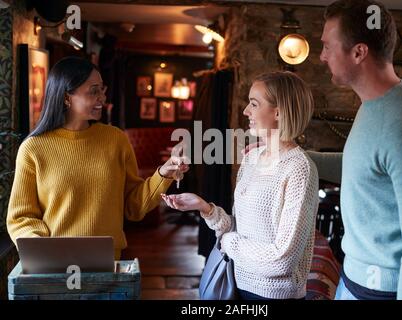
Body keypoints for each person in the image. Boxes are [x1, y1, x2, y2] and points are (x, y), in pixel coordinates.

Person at [309, 0, 402, 299]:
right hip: (354, 284)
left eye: (327, 46)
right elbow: (363, 167)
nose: (322, 56)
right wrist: (293, 157)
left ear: (359, 52)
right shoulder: (374, 106)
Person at [7, 56, 189, 259]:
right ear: (67, 97)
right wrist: (43, 249)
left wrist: (164, 174)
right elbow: (21, 218)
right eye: (93, 91)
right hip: (53, 265)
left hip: (107, 264)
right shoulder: (33, 149)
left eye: (102, 89)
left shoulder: (115, 140)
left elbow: (133, 207)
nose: (102, 98)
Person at [162, 71, 319, 300]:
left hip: (272, 295)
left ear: (278, 111)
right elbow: (238, 230)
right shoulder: (251, 158)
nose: (246, 111)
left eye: (254, 104)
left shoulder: (299, 169)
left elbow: (282, 260)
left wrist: (227, 243)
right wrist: (205, 208)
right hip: (235, 283)